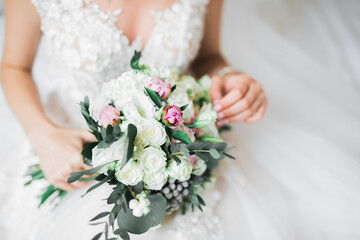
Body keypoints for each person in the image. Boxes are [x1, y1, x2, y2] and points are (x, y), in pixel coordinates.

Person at [1, 0, 359, 239]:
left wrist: (229, 78)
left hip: (187, 151)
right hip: (74, 151)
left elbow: (208, 57)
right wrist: (40, 133)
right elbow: (13, 66)